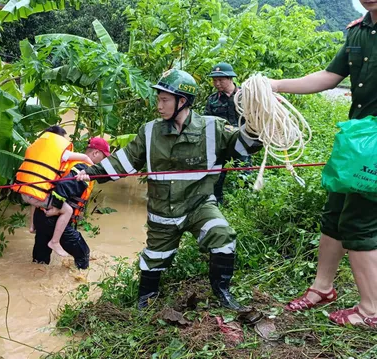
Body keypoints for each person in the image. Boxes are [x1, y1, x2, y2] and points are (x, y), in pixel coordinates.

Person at [76, 69, 263, 310]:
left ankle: (222, 291)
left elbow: (244, 147)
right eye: (158, 99)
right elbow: (126, 160)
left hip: (200, 206)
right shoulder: (150, 130)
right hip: (163, 211)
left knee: (223, 236)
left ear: (182, 101)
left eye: (164, 100)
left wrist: (258, 120)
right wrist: (89, 173)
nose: (159, 106)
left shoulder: (213, 128)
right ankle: (146, 299)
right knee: (154, 258)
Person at [270, 2, 377, 328]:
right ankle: (322, 288)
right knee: (334, 212)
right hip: (356, 139)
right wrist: (273, 85)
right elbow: (330, 76)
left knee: (359, 221)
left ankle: (371, 310)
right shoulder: (358, 31)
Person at [14, 125, 92, 257]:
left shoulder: (35, 147)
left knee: (40, 195)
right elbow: (84, 157)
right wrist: (93, 168)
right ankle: (55, 242)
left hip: (26, 193)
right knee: (67, 210)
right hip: (38, 196)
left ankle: (32, 225)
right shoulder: (61, 151)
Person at [32, 137, 110, 269]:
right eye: (104, 157)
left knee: (39, 262)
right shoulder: (84, 169)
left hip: (41, 216)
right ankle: (80, 283)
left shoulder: (71, 162)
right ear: (95, 153)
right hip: (54, 219)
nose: (103, 162)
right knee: (83, 253)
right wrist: (57, 207)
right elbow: (64, 186)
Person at [204, 62, 251, 204]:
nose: (217, 83)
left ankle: (245, 206)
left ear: (230, 79)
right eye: (214, 80)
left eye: (221, 80)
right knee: (216, 177)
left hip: (242, 142)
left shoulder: (246, 96)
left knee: (245, 175)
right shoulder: (212, 100)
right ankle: (216, 205)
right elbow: (207, 121)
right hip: (220, 144)